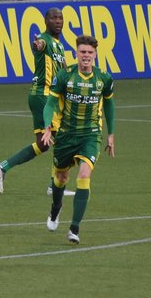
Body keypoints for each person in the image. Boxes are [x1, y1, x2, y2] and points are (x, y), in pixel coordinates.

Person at [42, 35, 114, 244]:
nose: (86, 56)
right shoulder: (65, 76)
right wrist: (48, 126)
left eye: (90, 53)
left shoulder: (104, 79)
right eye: (83, 52)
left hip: (90, 135)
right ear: (76, 53)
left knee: (84, 173)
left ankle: (74, 228)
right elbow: (50, 104)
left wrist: (111, 133)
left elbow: (109, 105)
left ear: (95, 55)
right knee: (61, 178)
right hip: (66, 136)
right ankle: (56, 208)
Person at [0, 8, 67, 194]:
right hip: (43, 96)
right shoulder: (44, 40)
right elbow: (38, 46)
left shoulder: (60, 45)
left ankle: (2, 167)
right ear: (46, 21)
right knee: (63, 138)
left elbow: (64, 71)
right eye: (54, 18)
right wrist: (36, 45)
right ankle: (55, 186)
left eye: (60, 18)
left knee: (43, 144)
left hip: (42, 96)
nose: (58, 21)